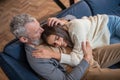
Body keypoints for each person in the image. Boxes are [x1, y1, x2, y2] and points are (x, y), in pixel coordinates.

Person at [10, 14, 120, 80]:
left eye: (39, 25)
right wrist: (86, 59)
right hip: (85, 72)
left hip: (89, 54)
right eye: (37, 31)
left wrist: (64, 21)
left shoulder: (41, 32)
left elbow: (74, 22)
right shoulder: (36, 57)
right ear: (24, 39)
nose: (42, 30)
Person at [34, 14, 120, 67]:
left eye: (57, 38)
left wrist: (52, 54)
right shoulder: (66, 36)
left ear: (59, 30)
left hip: (109, 25)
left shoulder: (75, 27)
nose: (58, 44)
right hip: (105, 39)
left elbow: (76, 60)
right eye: (54, 44)